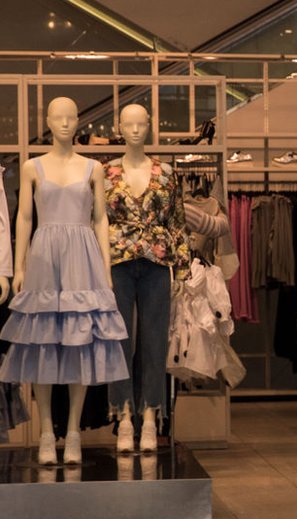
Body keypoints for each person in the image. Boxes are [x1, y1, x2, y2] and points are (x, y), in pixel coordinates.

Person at [0, 96, 128, 465]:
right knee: (42, 340)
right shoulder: (31, 167)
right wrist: (19, 265)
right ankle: (44, 432)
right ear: (48, 121)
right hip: (44, 254)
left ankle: (72, 432)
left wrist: (105, 266)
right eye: (58, 117)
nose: (66, 123)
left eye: (72, 117)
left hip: (83, 255)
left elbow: (101, 218)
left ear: (78, 120)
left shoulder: (94, 168)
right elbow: (24, 217)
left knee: (79, 341)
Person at [104, 103, 190, 453]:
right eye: (129, 124)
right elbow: (97, 220)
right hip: (117, 262)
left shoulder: (167, 173)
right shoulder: (105, 172)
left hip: (157, 261)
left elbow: (177, 222)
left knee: (154, 341)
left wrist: (182, 268)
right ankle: (123, 414)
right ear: (120, 127)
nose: (136, 130)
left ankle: (151, 414)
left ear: (150, 125)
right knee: (118, 340)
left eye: (141, 124)